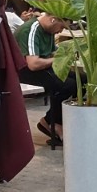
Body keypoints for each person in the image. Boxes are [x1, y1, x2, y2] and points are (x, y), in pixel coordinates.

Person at [20, 12, 76, 146]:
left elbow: (52, 53)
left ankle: (50, 120)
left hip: (43, 67)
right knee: (68, 85)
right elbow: (33, 64)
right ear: (53, 20)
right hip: (25, 71)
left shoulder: (49, 30)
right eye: (61, 27)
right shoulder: (32, 29)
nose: (60, 31)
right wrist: (58, 59)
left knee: (82, 81)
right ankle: (54, 123)